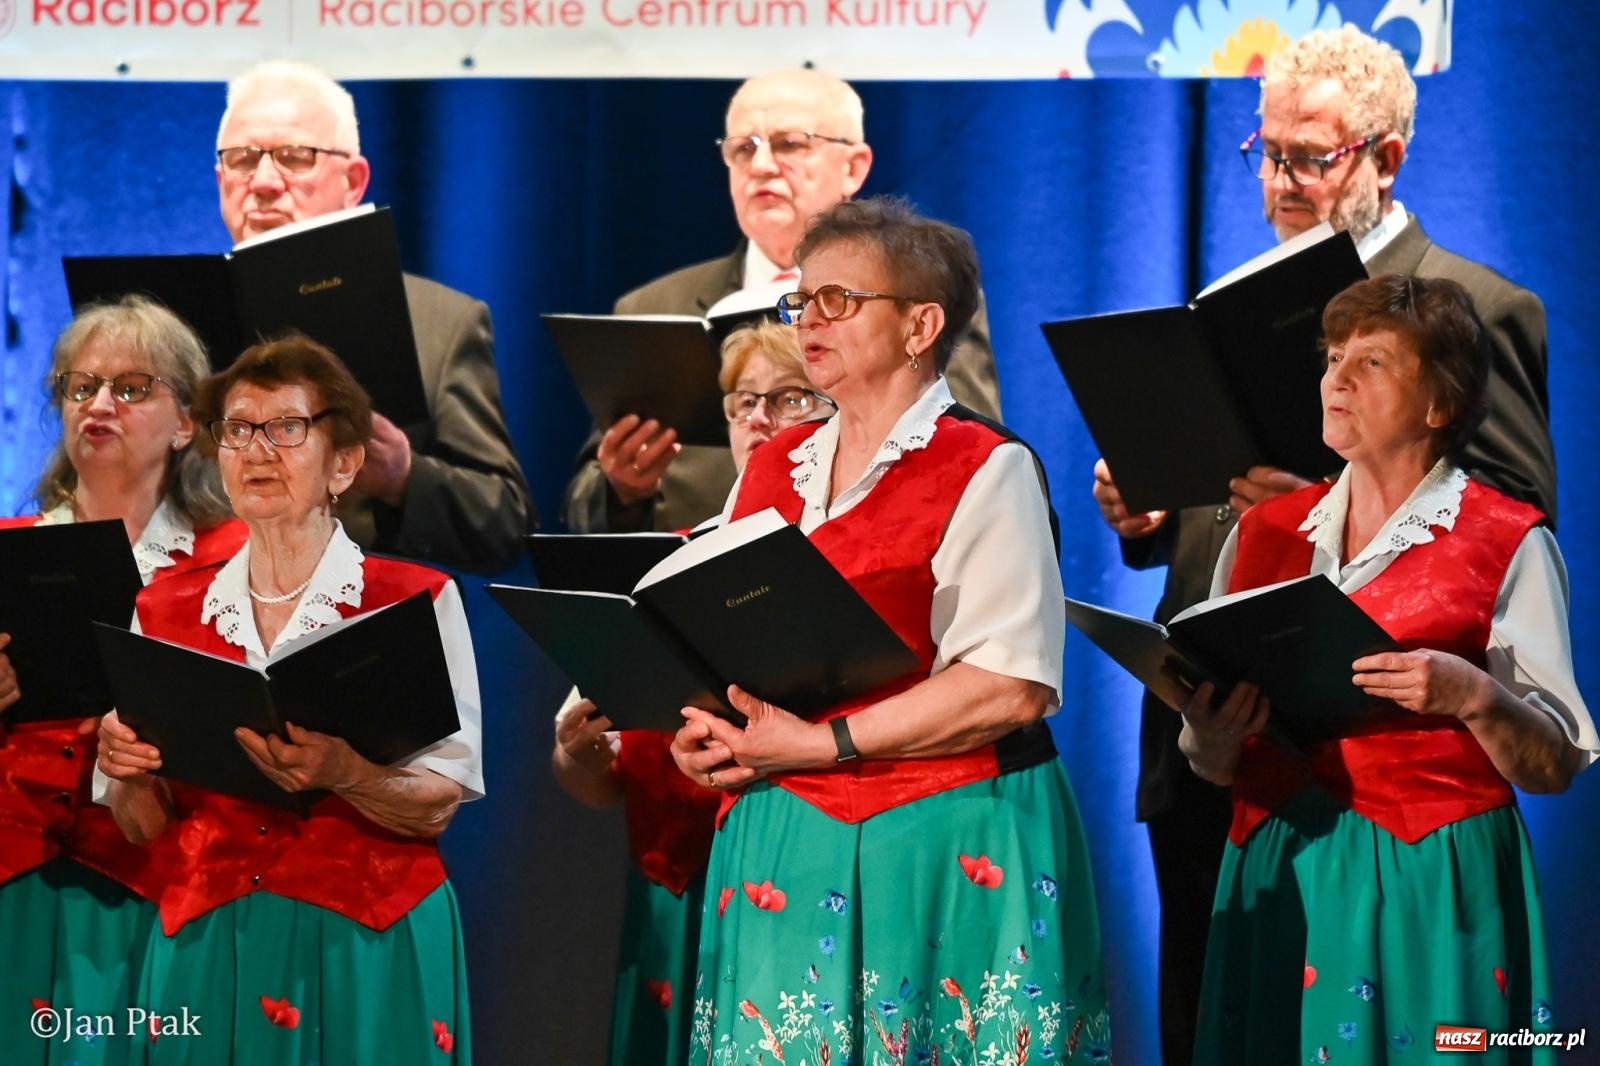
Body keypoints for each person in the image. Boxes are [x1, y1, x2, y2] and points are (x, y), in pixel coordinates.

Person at [1089, 27, 1557, 1064]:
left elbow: (1515, 505)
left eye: (1314, 155)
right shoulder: (1237, 301)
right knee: (1212, 1011)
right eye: (1267, 153)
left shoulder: (1473, 306)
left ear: (1386, 157)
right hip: (1212, 715)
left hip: (1370, 752)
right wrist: (1150, 512)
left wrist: (1336, 498)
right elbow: (1214, 509)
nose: (1284, 181)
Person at [670, 198, 1110, 1062]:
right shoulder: (770, 465)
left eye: (840, 300)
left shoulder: (986, 466)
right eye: (804, 300)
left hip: (946, 835)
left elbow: (1009, 683)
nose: (809, 320)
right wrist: (708, 735)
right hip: (785, 839)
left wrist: (825, 741)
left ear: (921, 325)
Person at [1180, 274, 1594, 1062]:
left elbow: (1553, 766)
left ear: (1439, 403)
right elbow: (1209, 762)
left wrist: (1473, 695)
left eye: (1370, 363)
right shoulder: (1262, 534)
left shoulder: (1504, 539)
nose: (1335, 378)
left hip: (1430, 873)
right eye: (1333, 357)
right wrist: (1210, 734)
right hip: (1279, 866)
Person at [96, 337, 484, 1063]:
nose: (257, 450)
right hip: (211, 943)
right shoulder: (162, 608)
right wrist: (125, 771)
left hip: (367, 938)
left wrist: (348, 774)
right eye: (239, 430)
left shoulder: (416, 602)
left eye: (286, 429)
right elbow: (143, 828)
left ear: (343, 464)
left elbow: (439, 802)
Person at [554, 319, 836, 1066]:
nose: (762, 421)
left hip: (801, 888)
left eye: (791, 399)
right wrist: (578, 753)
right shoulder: (670, 559)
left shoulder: (850, 562)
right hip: (675, 900)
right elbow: (597, 778)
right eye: (746, 402)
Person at [561, 67, 1003, 535]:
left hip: (864, 571)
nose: (762, 165)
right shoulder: (650, 306)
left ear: (853, 166)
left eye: (790, 144)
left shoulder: (914, 295)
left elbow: (970, 456)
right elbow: (584, 507)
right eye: (743, 149)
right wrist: (622, 491)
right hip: (691, 587)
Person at [0, 296, 245, 1065]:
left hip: (160, 884)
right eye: (81, 387)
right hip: (13, 881)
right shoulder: (6, 549)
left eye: (132, 388)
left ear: (184, 424)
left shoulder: (233, 566)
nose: (100, 404)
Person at [215, 60, 531, 572]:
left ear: (354, 180)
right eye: (243, 159)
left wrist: (404, 477)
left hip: (373, 631)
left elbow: (503, 524)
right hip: (199, 630)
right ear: (219, 178)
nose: (265, 180)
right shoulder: (173, 325)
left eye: (295, 157)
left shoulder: (442, 323)